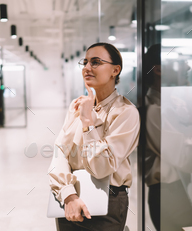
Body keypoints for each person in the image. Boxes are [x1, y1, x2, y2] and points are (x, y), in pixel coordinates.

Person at [47, 42, 141, 231]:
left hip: (108, 204)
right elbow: (59, 152)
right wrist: (68, 195)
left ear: (115, 70)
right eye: (86, 62)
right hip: (69, 202)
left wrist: (88, 123)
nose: (87, 68)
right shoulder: (77, 105)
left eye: (96, 62)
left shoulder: (125, 112)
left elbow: (101, 168)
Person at [144, 44, 192, 231]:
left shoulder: (177, 103)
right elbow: (186, 161)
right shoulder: (153, 111)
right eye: (180, 62)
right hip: (170, 194)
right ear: (159, 70)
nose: (187, 67)